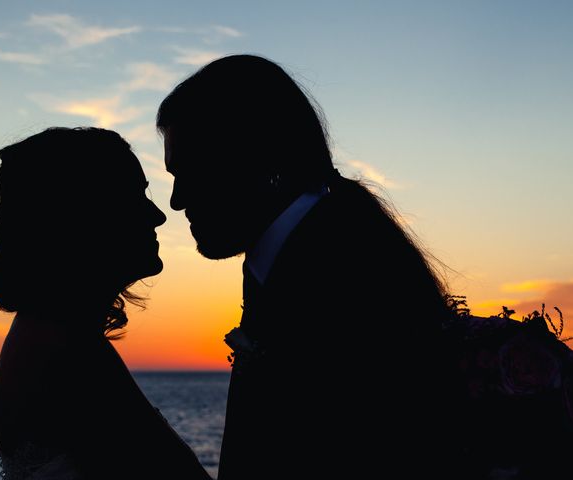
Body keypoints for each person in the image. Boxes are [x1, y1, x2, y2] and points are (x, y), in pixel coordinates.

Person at [156, 54, 463, 479]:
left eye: (191, 171)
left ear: (258, 159)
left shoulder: (345, 273)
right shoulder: (302, 248)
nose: (177, 199)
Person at [0, 127, 211, 480]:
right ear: (85, 215)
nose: (157, 215)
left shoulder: (56, 335)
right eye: (135, 196)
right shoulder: (67, 354)